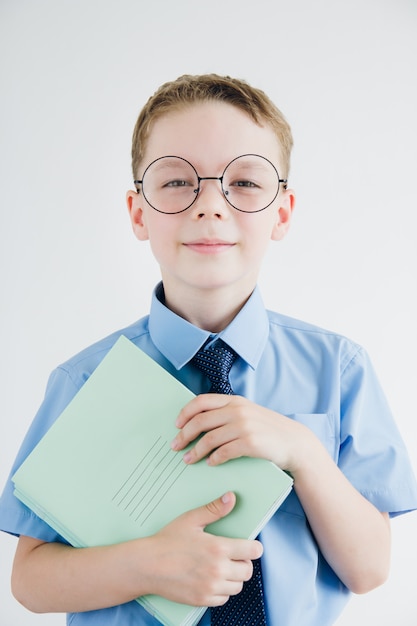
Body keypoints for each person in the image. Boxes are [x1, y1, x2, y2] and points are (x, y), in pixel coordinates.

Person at [1, 74, 416, 626]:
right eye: (176, 182)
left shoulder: (338, 370)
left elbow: (370, 570)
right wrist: (145, 565)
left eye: (244, 182)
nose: (211, 205)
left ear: (283, 213)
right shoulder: (83, 383)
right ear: (138, 212)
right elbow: (29, 579)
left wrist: (303, 452)